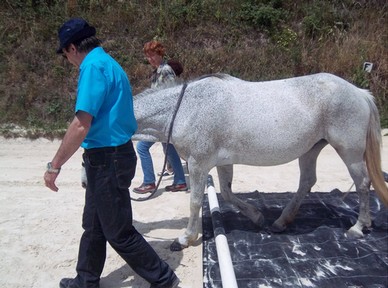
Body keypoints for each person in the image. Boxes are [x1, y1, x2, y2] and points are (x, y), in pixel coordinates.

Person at [44, 18, 179, 288]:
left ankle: (164, 279)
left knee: (118, 232)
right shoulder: (107, 62)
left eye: (64, 54)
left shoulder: (92, 67)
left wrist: (54, 165)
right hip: (109, 157)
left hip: (108, 159)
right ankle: (86, 280)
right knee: (93, 226)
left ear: (71, 48)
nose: (67, 60)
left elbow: (82, 124)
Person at [133, 40, 187, 194]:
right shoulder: (157, 72)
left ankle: (149, 182)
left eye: (153, 55)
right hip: (161, 120)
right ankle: (180, 181)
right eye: (148, 56)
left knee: (142, 148)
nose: (150, 59)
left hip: (164, 120)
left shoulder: (165, 70)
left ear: (160, 53)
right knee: (169, 148)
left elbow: (173, 95)